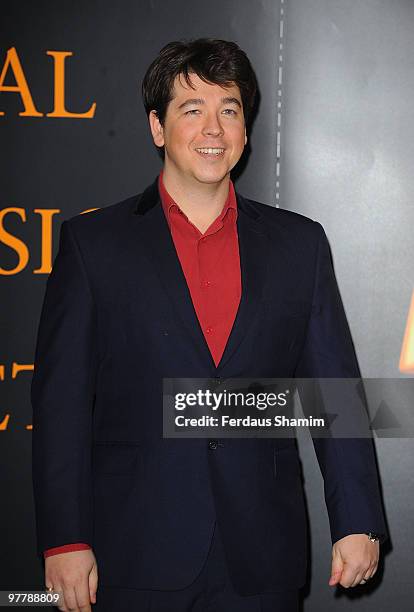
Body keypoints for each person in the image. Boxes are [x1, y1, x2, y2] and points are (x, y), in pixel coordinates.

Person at [31, 38, 387, 612]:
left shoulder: (300, 245)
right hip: (133, 549)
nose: (213, 129)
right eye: (191, 109)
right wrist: (65, 538)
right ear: (156, 127)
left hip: (262, 553)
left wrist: (359, 520)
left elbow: (333, 394)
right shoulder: (94, 246)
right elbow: (62, 405)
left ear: (246, 130)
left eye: (230, 109)